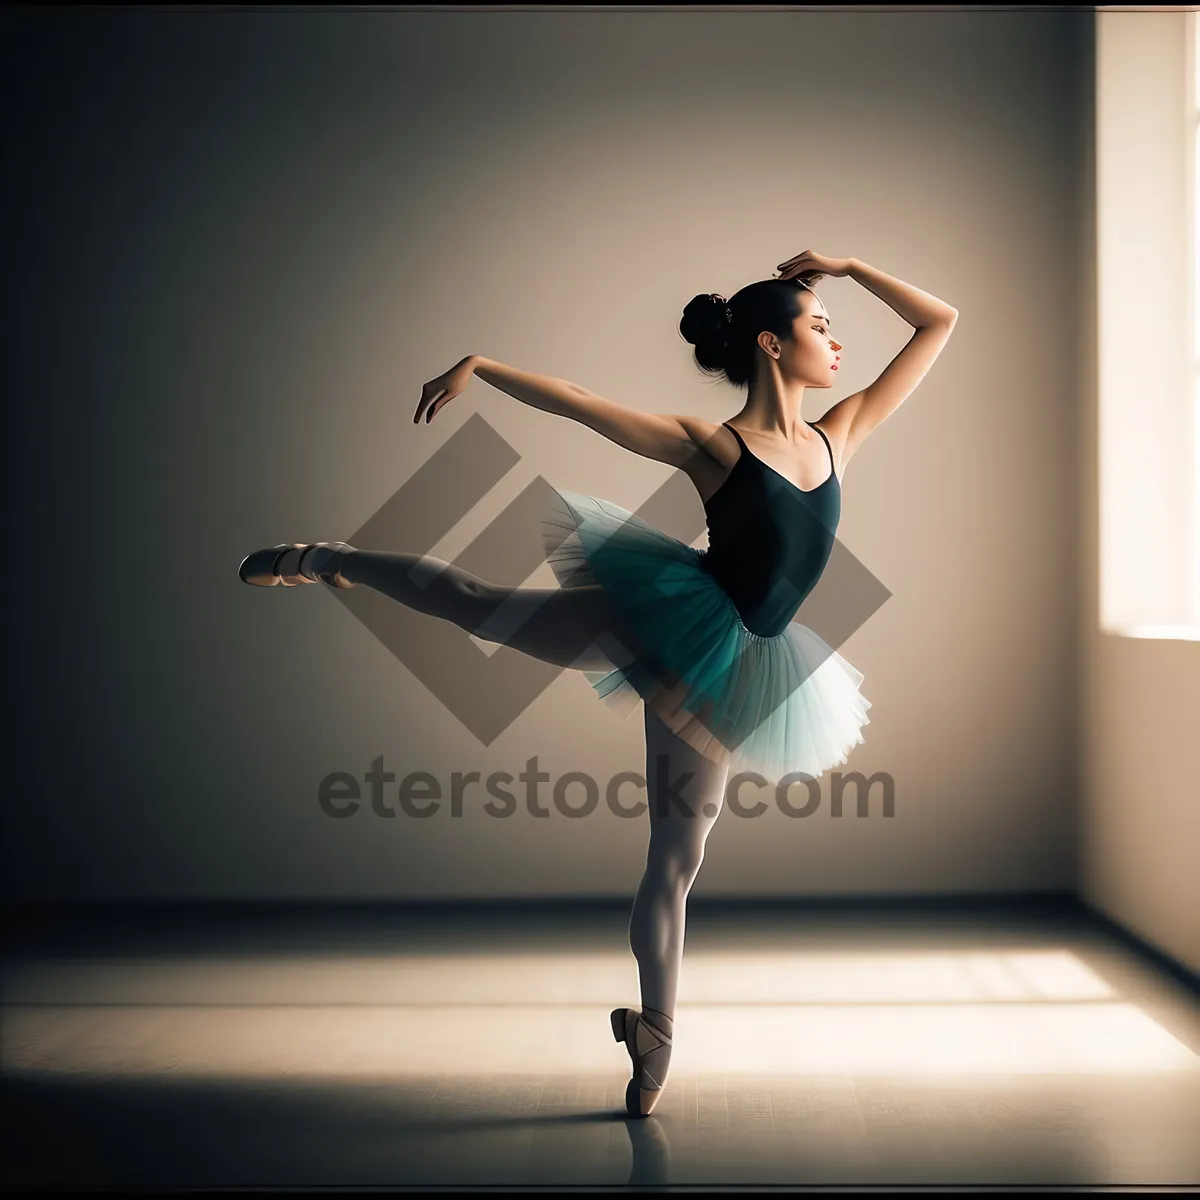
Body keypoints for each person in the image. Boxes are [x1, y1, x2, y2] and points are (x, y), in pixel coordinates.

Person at [237, 250, 958, 1117]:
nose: (838, 342)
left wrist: (847, 267)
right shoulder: (713, 447)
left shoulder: (841, 433)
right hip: (665, 620)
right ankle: (327, 558)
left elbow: (938, 322)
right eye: (821, 325)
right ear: (772, 345)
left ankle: (653, 1033)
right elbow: (584, 407)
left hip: (745, 655)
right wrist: (484, 366)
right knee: (481, 607)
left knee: (678, 859)